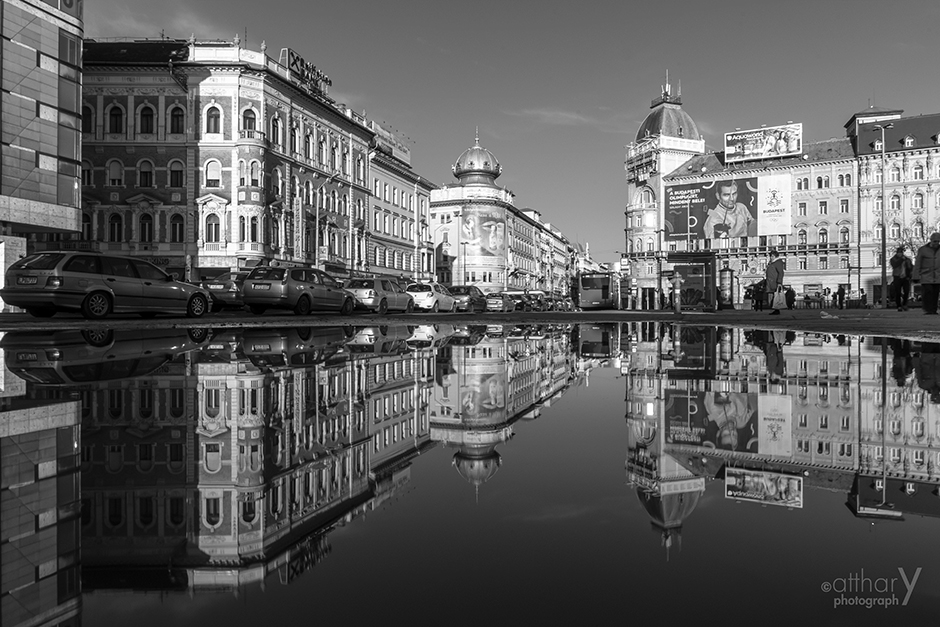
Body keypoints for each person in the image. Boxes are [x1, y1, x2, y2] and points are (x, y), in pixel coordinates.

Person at [913, 232, 940, 315]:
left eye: (938, 241)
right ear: (931, 240)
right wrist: (915, 276)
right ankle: (928, 309)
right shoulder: (923, 250)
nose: (936, 243)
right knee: (928, 292)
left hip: (938, 275)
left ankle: (933, 310)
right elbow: (918, 263)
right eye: (935, 241)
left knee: (935, 293)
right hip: (926, 275)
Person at [891, 245, 914, 311]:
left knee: (906, 291)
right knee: (898, 292)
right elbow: (894, 265)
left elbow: (910, 268)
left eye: (901, 252)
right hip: (897, 276)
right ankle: (899, 305)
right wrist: (901, 259)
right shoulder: (893, 259)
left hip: (905, 277)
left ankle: (904, 304)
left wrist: (909, 276)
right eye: (899, 252)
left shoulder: (907, 260)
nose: (900, 253)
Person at [765, 250, 785, 315]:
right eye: (770, 256)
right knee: (772, 296)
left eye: (772, 256)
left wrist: (779, 282)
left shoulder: (778, 263)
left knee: (775, 296)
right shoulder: (772, 263)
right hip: (770, 282)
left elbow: (781, 273)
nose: (771, 257)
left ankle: (776, 309)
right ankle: (775, 309)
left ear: (776, 256)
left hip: (774, 282)